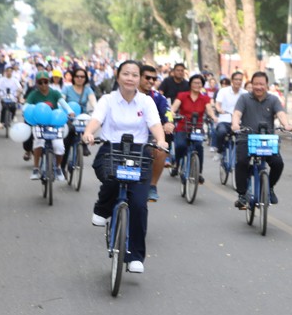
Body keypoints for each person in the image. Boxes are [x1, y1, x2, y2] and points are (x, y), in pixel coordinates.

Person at [81, 60, 167, 274]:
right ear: (118, 76)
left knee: (139, 204)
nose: (130, 78)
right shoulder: (108, 100)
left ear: (139, 79)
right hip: (111, 149)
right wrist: (89, 133)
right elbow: (96, 119)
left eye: (135, 74)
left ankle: (136, 257)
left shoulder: (146, 102)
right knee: (112, 176)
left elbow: (155, 124)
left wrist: (161, 140)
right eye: (126, 74)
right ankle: (102, 208)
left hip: (138, 153)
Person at [230, 71, 292, 209]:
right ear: (251, 84)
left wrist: (286, 124)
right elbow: (237, 113)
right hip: (247, 137)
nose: (259, 87)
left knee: (278, 163)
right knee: (241, 162)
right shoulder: (244, 98)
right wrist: (235, 124)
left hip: (266, 138)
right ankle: (241, 195)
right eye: (256, 84)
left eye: (261, 84)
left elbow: (281, 113)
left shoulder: (273, 99)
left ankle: (269, 187)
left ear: (267, 85)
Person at [137, 65, 174, 201]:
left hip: (150, 138)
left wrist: (169, 123)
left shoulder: (159, 98)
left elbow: (168, 112)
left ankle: (152, 185)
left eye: (154, 78)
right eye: (147, 77)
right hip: (127, 137)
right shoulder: (127, 94)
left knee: (162, 150)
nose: (151, 81)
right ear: (139, 77)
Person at [26, 71, 69, 182]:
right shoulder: (34, 94)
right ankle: (35, 168)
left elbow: (63, 103)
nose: (43, 85)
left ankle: (58, 167)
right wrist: (25, 109)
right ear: (37, 83)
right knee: (38, 142)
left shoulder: (54, 93)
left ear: (49, 82)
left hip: (54, 123)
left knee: (59, 146)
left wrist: (70, 111)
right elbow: (27, 105)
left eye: (46, 82)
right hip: (39, 124)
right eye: (40, 82)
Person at [170, 74, 211, 181]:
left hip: (197, 128)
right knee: (180, 146)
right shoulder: (182, 95)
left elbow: (209, 110)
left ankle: (199, 173)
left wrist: (214, 117)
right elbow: (173, 108)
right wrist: (172, 114)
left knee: (198, 147)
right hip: (183, 126)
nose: (197, 85)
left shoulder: (205, 98)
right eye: (195, 83)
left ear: (202, 85)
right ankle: (177, 164)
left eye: (199, 83)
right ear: (190, 84)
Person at [212, 71, 247, 155]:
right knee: (221, 132)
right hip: (225, 120)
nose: (238, 81)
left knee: (245, 138)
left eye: (240, 80)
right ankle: (219, 151)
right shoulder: (223, 91)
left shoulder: (245, 93)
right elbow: (217, 104)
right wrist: (219, 109)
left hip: (240, 122)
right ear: (232, 80)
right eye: (236, 79)